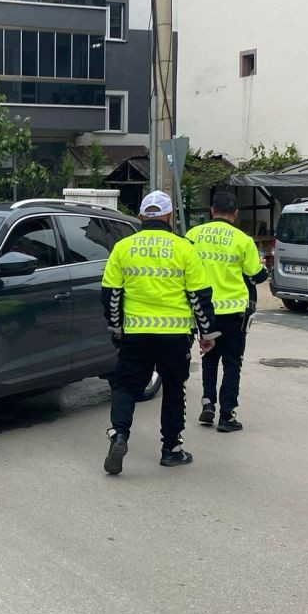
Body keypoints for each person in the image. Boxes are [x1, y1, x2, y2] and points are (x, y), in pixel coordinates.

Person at [101, 190, 218, 475]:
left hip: (135, 334)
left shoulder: (123, 247)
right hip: (175, 336)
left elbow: (111, 295)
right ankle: (171, 450)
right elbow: (199, 296)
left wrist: (116, 328)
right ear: (169, 216)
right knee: (174, 389)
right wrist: (207, 334)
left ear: (141, 216)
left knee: (125, 386)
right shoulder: (184, 248)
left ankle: (119, 435)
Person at [185, 191, 269, 432]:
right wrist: (262, 268)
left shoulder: (193, 235)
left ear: (211, 211)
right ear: (235, 213)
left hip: (204, 311)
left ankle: (207, 403)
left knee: (209, 357)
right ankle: (227, 415)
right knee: (232, 363)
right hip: (233, 312)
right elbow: (256, 276)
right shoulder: (243, 240)